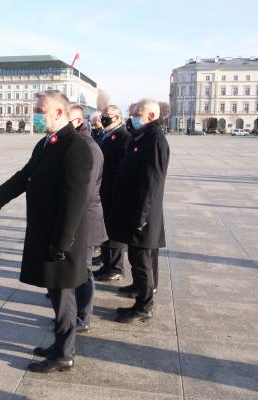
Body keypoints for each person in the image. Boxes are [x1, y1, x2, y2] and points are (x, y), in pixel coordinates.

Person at [0, 90, 92, 373]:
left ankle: (64, 353)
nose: (35, 114)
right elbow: (25, 175)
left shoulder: (76, 146)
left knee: (64, 298)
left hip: (62, 238)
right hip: (46, 233)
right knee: (57, 294)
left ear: (59, 112)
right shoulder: (47, 142)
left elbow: (75, 201)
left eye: (40, 110)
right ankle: (60, 345)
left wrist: (62, 243)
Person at [107, 98, 170, 323]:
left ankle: (144, 306)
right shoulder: (143, 137)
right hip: (135, 212)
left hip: (143, 215)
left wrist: (141, 217)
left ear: (151, 116)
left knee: (142, 261)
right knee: (137, 259)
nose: (133, 118)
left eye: (138, 114)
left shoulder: (155, 140)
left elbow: (152, 182)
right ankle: (139, 294)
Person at [68, 104, 107, 333]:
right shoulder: (77, 142)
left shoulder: (88, 147)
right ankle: (76, 311)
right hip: (80, 218)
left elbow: (85, 190)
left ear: (78, 120)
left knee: (84, 269)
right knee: (79, 268)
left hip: (86, 218)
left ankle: (84, 316)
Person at [94, 105, 131, 282]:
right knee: (105, 229)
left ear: (118, 118)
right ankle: (107, 264)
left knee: (114, 232)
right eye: (103, 115)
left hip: (113, 191)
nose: (104, 118)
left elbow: (122, 167)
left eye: (107, 116)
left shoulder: (124, 136)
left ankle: (116, 267)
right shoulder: (106, 134)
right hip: (103, 190)